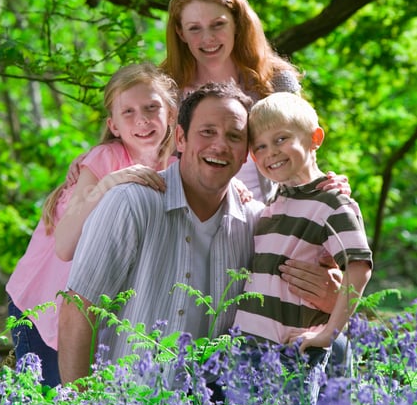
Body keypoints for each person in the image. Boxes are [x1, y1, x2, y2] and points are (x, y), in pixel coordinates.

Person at [161, 0, 347, 318]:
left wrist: (321, 186)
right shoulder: (168, 89)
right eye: (195, 28)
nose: (208, 38)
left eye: (218, 24)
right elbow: (138, 152)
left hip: (272, 227)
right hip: (193, 230)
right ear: (180, 33)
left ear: (238, 21)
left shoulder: (274, 80)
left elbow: (301, 148)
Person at [58, 81, 266, 385]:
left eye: (234, 136)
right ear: (180, 138)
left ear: (246, 153)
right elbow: (78, 311)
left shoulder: (255, 222)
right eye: (207, 132)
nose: (220, 145)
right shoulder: (130, 203)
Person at [6, 63, 178, 388]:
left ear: (170, 112)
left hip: (92, 311)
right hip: (42, 306)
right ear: (113, 125)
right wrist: (108, 185)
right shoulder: (105, 159)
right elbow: (65, 245)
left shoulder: (176, 167)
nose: (141, 119)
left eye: (151, 107)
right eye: (128, 111)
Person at [234, 92, 373, 405]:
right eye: (260, 147)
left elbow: (358, 268)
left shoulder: (333, 204)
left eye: (281, 139)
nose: (271, 153)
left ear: (315, 138)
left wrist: (329, 333)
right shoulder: (275, 204)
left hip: (291, 351)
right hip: (245, 347)